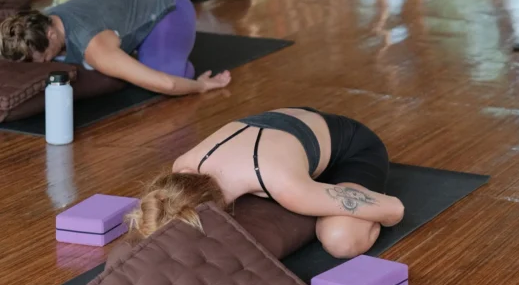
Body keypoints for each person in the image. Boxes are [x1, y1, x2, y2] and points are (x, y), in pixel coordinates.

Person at [126, 107, 404, 259]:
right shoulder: (182, 167)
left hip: (353, 149)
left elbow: (393, 210)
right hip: (288, 128)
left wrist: (325, 200)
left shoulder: (286, 186)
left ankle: (330, 191)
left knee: (340, 239)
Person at [0, 0, 231, 96]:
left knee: (161, 75)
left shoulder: (94, 47)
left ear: (50, 34)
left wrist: (200, 86)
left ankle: (169, 57)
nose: (38, 64)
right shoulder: (38, 22)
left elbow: (167, 84)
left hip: (169, 7)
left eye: (40, 56)